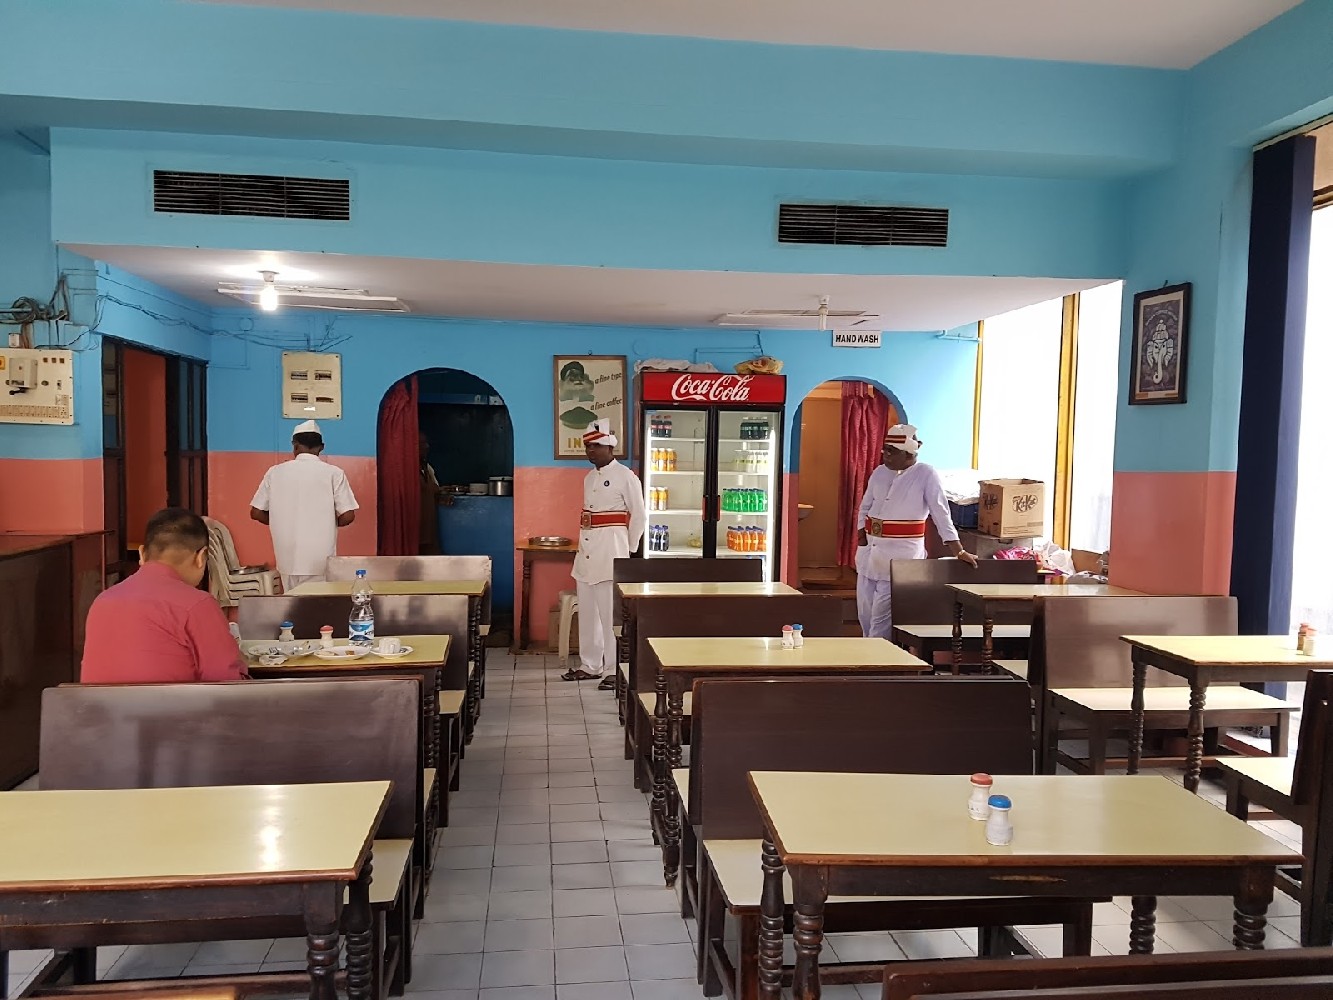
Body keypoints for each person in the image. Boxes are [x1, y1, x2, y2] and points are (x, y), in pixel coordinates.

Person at [81, 508, 248, 684]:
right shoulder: (198, 604)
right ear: (201, 556)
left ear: (142, 554)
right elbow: (228, 684)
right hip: (167, 703)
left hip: (97, 702)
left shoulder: (102, 601)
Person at [855, 423, 978, 639]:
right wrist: (860, 537)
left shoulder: (925, 474)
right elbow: (865, 506)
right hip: (868, 558)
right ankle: (868, 655)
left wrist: (958, 550)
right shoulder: (879, 472)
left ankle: (878, 658)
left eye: (892, 451)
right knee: (864, 617)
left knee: (879, 625)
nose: (886, 455)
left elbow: (941, 514)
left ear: (908, 454)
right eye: (885, 450)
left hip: (899, 562)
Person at [565, 419, 645, 688]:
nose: (591, 451)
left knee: (610, 616)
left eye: (596, 446)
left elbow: (639, 516)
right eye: (588, 446)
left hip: (611, 553)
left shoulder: (626, 476)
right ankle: (590, 665)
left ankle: (613, 669)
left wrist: (627, 551)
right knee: (588, 614)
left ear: (610, 447)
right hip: (586, 552)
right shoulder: (589, 478)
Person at [249, 420, 359, 592]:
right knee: (318, 602)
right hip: (320, 560)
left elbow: (256, 512)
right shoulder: (334, 473)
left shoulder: (275, 472)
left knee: (292, 601)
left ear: (295, 445)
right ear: (321, 447)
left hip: (286, 558)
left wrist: (281, 521)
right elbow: (348, 516)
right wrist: (326, 523)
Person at [420, 430, 444, 555]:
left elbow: (434, 489)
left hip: (429, 531)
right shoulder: (404, 470)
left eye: (426, 443)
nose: (427, 446)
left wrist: (442, 496)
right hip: (415, 530)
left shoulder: (427, 468)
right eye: (422, 443)